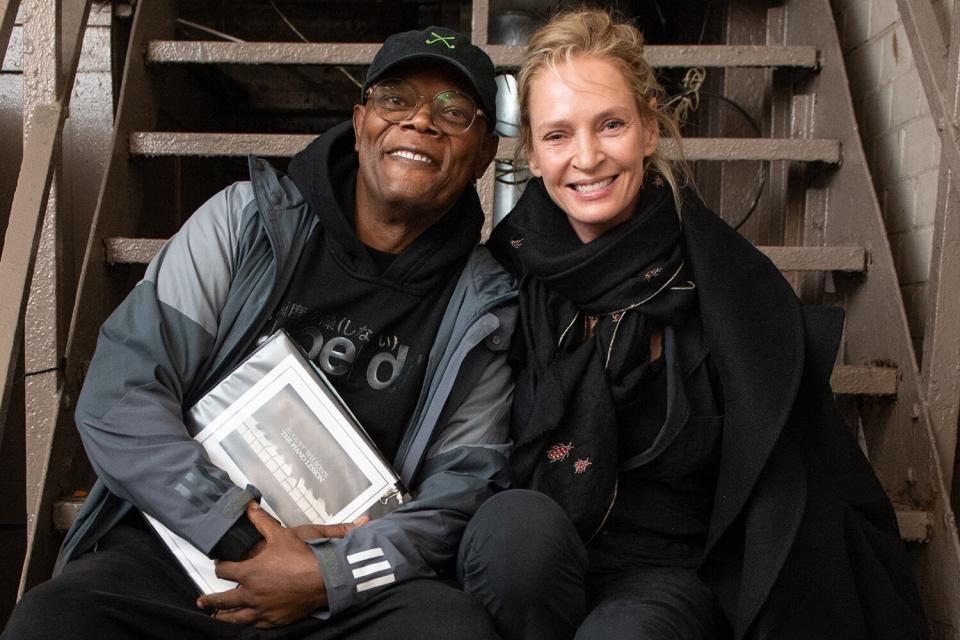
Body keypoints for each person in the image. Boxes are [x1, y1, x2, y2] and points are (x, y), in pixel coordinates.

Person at [3, 26, 516, 640]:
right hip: (187, 549)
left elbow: (455, 496)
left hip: (342, 587)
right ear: (359, 122)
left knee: (450, 631)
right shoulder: (244, 222)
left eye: (454, 112)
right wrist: (236, 529)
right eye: (395, 99)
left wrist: (328, 575)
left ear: (485, 153)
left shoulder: (484, 305)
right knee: (53, 621)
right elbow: (120, 396)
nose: (420, 123)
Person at [456, 8, 926, 640]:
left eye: (612, 125)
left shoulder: (728, 285)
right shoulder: (499, 278)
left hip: (663, 578)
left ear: (650, 129)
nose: (588, 157)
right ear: (533, 155)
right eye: (558, 135)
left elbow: (795, 478)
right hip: (532, 569)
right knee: (513, 535)